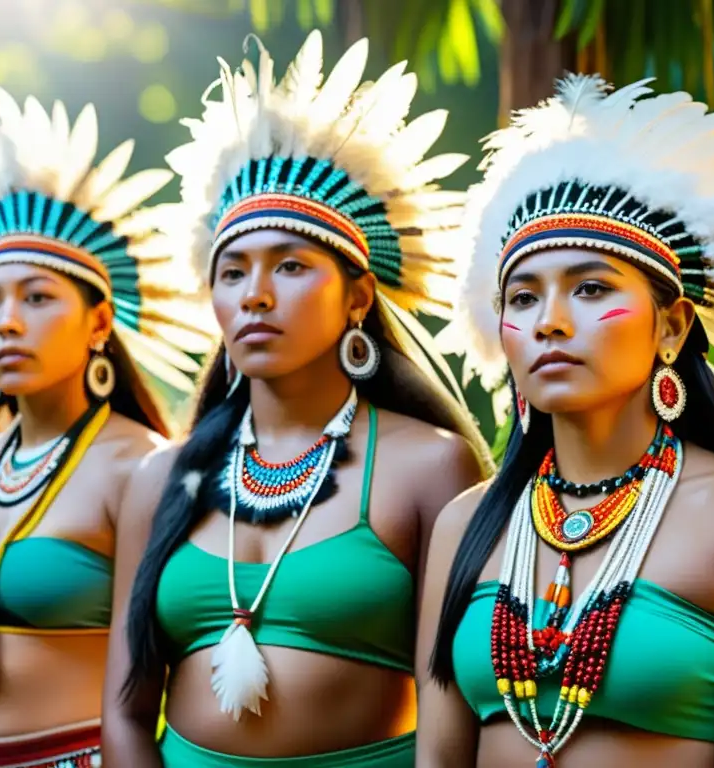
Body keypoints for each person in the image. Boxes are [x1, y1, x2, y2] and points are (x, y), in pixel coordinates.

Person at [417, 74, 714, 767]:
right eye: (524, 297)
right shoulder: (465, 524)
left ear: (672, 326)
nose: (550, 322)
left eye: (591, 288)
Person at [101, 30, 492, 768]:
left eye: (289, 265)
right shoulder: (160, 479)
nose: (255, 295)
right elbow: (123, 715)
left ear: (358, 297)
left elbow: (458, 719)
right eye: (233, 272)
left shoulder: (430, 469)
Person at [0, 89, 211, 768]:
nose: (7, 321)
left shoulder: (141, 467)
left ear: (99, 323)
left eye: (37, 298)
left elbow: (154, 684)